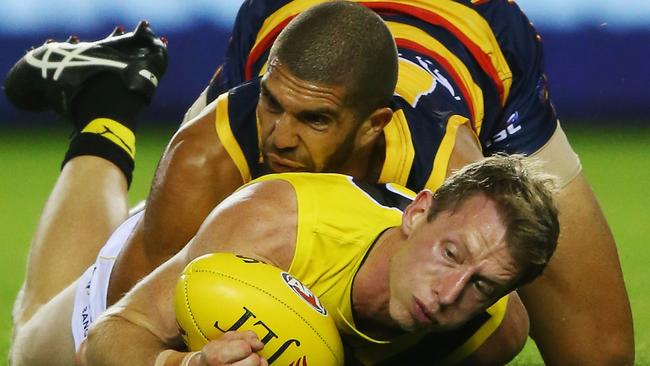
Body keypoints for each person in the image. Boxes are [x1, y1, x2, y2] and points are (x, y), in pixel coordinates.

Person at [5, 1, 632, 364]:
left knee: (598, 356)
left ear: (375, 125)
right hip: (289, 34)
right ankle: (109, 99)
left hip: (475, 43)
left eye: (315, 119)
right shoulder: (215, 153)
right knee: (39, 350)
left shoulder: (451, 178)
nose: (278, 137)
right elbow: (126, 329)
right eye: (274, 108)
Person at [80, 154, 559, 366]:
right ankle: (104, 123)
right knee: (37, 345)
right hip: (126, 285)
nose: (448, 294)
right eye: (450, 254)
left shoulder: (494, 336)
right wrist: (184, 364)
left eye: (482, 286)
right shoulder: (278, 224)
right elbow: (107, 338)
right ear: (417, 214)